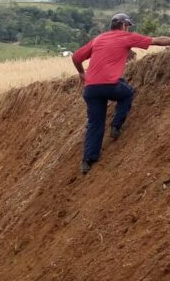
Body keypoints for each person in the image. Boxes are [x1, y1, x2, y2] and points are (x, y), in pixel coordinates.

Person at [71, 13, 170, 174]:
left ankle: (87, 161)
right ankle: (116, 126)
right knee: (127, 93)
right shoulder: (126, 37)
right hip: (110, 86)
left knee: (95, 123)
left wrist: (82, 73)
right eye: (128, 26)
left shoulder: (99, 39)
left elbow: (76, 57)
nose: (128, 28)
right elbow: (157, 40)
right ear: (124, 25)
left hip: (91, 89)